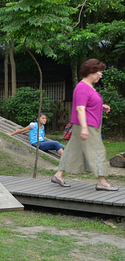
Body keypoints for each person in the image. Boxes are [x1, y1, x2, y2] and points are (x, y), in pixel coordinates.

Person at [52, 59, 118, 191]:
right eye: (99, 72)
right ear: (91, 71)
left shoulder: (88, 87)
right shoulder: (82, 87)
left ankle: (58, 175)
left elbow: (88, 104)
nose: (101, 75)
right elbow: (80, 109)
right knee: (98, 151)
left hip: (86, 124)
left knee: (73, 149)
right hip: (87, 125)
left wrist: (101, 107)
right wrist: (84, 128)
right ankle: (102, 182)